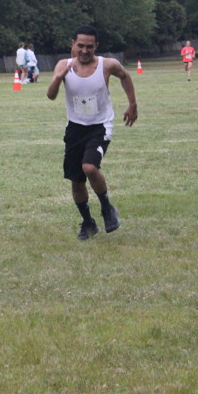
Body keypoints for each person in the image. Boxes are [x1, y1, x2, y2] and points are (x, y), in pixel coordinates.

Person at [46, 25, 137, 240]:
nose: (85, 51)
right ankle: (88, 223)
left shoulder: (108, 65)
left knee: (89, 167)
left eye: (89, 46)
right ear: (73, 44)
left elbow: (125, 76)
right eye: (80, 46)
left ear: (96, 46)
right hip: (75, 128)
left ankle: (107, 208)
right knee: (76, 181)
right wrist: (58, 77)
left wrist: (132, 104)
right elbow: (51, 95)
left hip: (100, 126)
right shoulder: (63, 65)